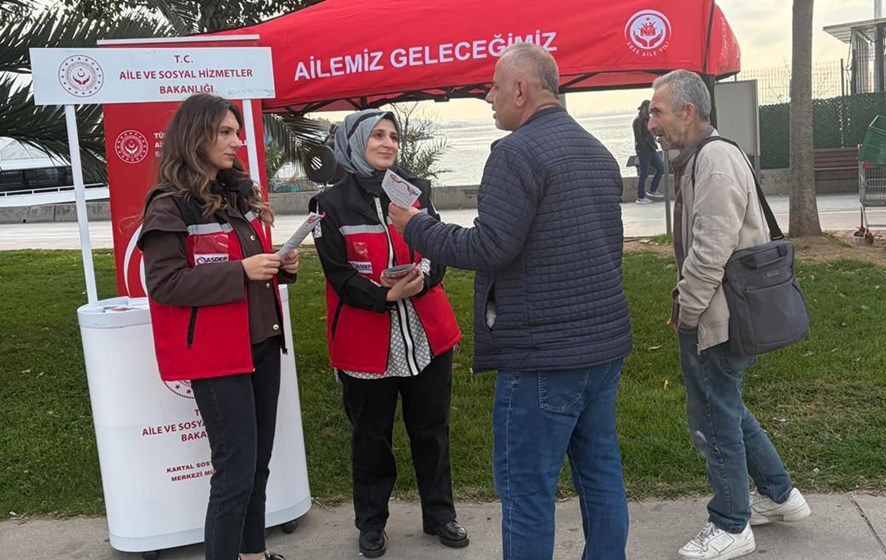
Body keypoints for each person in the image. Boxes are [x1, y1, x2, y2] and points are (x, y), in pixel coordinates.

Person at [389, 42, 633, 560]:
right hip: (603, 348)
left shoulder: (514, 153)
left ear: (521, 90)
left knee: (526, 491)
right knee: (601, 475)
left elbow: (488, 247)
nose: (488, 96)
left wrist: (419, 226)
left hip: (542, 353)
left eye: (495, 87)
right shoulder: (596, 150)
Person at [646, 70, 811, 560]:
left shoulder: (714, 161)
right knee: (727, 405)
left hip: (716, 316)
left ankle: (731, 523)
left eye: (657, 111)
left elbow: (710, 250)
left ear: (688, 112)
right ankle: (780, 495)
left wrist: (689, 310)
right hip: (722, 311)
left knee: (713, 415)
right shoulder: (704, 157)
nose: (651, 122)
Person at [138, 93, 299, 560]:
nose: (236, 141)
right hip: (217, 354)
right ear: (197, 136)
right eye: (225, 132)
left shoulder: (237, 193)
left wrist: (278, 266)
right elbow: (165, 283)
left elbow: (245, 263)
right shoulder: (169, 205)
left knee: (257, 466)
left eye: (237, 131)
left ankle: (253, 553)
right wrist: (242, 272)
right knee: (234, 472)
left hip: (262, 344)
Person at [309, 109, 467, 558]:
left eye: (393, 136)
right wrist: (386, 296)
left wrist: (425, 277)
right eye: (377, 135)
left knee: (432, 429)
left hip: (427, 333)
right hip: (366, 339)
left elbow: (438, 248)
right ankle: (372, 523)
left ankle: (440, 515)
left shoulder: (415, 191)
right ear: (355, 143)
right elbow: (339, 276)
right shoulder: (329, 204)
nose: (388, 143)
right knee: (371, 437)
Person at [633, 99, 664, 204]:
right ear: (644, 108)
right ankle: (640, 196)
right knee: (644, 173)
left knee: (661, 167)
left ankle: (652, 189)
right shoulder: (638, 121)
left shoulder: (648, 119)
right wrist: (644, 146)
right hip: (643, 150)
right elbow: (639, 137)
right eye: (649, 108)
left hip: (651, 148)